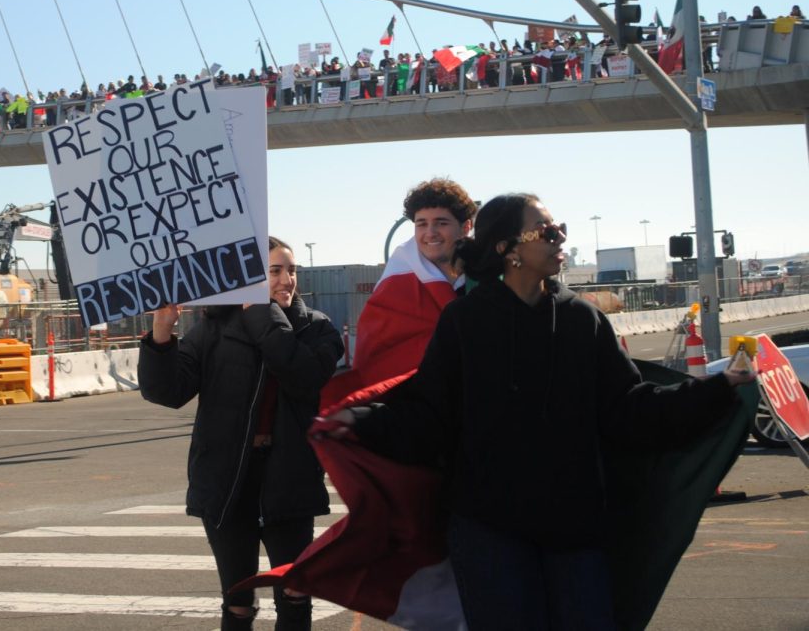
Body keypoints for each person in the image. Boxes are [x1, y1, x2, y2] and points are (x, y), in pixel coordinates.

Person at [327, 193, 754, 630]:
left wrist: (717, 390)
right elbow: (431, 417)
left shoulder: (583, 321)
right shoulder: (464, 322)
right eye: (547, 232)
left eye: (561, 230)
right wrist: (360, 422)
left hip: (575, 528)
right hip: (489, 530)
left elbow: (629, 410)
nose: (560, 240)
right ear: (507, 249)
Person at [139, 236, 343, 631]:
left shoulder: (317, 329)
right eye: (274, 271)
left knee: (295, 593)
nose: (287, 280)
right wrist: (161, 333)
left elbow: (304, 376)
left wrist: (263, 317)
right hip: (227, 480)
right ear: (249, 278)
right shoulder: (214, 328)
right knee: (237, 602)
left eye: (291, 270)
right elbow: (167, 392)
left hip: (291, 479)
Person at [320, 178, 475, 406]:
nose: (430, 233)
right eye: (421, 224)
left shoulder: (488, 278)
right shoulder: (394, 286)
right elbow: (374, 358)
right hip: (416, 409)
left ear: (466, 227)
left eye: (441, 223)